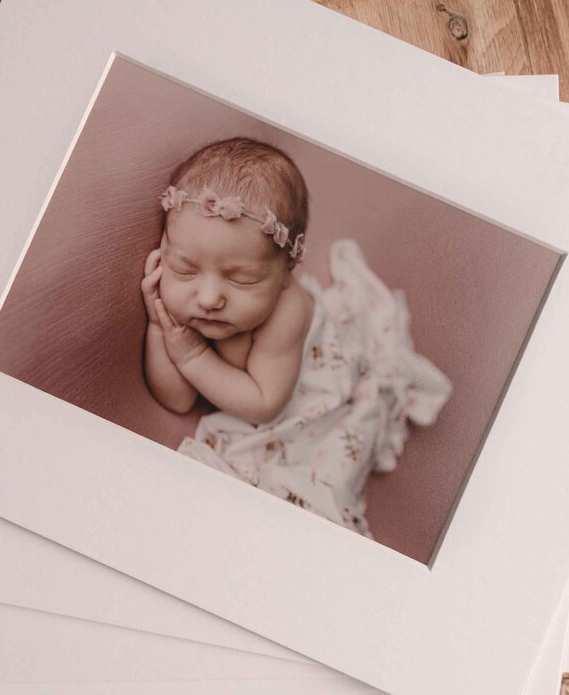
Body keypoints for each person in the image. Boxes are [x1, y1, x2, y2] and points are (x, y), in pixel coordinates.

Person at [142, 137, 451, 536]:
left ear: (286, 270)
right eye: (184, 269)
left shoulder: (288, 312)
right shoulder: (201, 307)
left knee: (317, 486)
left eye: (242, 279)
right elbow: (178, 399)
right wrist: (158, 328)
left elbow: (264, 404)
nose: (209, 298)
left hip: (309, 392)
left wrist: (190, 357)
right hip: (250, 386)